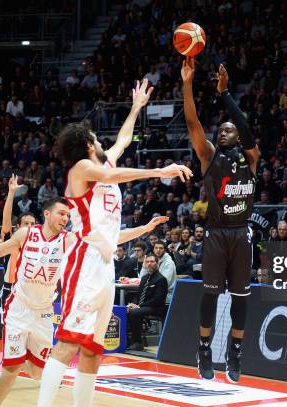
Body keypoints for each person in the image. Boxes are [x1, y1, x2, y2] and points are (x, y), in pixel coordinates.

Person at [36, 79, 191, 407]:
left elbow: (122, 140)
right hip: (85, 258)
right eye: (95, 137)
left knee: (93, 350)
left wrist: (136, 108)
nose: (101, 140)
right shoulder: (81, 169)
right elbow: (111, 176)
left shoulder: (102, 163)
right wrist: (160, 170)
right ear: (88, 143)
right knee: (68, 343)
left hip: (104, 264)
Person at [182, 58, 259, 383]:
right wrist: (188, 84)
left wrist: (225, 93)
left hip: (241, 234)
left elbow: (246, 128)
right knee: (211, 296)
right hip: (216, 234)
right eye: (222, 129)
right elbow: (193, 123)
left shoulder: (251, 158)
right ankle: (203, 349)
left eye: (232, 129)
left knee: (241, 299)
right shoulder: (208, 156)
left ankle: (235, 352)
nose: (227, 131)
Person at [0, 198, 72, 407]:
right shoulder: (27, 233)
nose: (65, 218)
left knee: (38, 374)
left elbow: (99, 240)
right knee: (11, 369)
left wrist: (141, 229)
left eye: (68, 215)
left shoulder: (68, 239)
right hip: (19, 308)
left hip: (44, 312)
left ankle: (22, 356)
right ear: (48, 214)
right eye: (61, 213)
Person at [0, 174, 36, 309]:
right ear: (18, 227)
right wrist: (11, 193)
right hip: (11, 289)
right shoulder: (11, 241)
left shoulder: (39, 243)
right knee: (9, 329)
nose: (30, 227)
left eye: (32, 224)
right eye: (26, 223)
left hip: (31, 292)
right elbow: (6, 219)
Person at [126, 253, 168, 351]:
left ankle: (138, 343)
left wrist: (139, 306)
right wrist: (133, 304)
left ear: (157, 263)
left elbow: (158, 299)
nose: (149, 264)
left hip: (156, 307)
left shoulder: (161, 279)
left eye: (152, 262)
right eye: (147, 262)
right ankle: (128, 340)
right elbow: (138, 295)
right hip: (144, 306)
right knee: (126, 310)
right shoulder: (144, 278)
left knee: (134, 313)